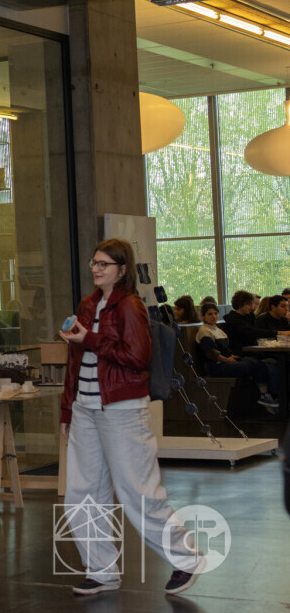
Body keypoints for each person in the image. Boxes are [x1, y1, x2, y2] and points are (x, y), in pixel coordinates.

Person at [59, 238, 204, 596]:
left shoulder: (130, 305)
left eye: (104, 264)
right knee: (81, 495)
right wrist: (67, 409)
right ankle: (102, 570)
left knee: (138, 493)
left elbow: (138, 356)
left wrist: (90, 339)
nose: (96, 269)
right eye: (94, 263)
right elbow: (75, 361)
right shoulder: (88, 303)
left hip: (122, 410)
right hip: (85, 409)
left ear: (122, 270)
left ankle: (187, 558)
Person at [196, 302, 279, 413]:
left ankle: (264, 395)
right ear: (203, 316)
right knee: (255, 365)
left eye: (215, 313)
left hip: (226, 362)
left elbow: (224, 349)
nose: (214, 316)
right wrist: (227, 359)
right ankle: (265, 396)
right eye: (209, 314)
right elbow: (211, 353)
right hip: (217, 367)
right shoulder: (204, 331)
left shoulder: (217, 330)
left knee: (259, 363)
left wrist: (231, 356)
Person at [224, 290, 290, 347]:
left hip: (253, 348)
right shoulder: (233, 319)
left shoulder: (250, 316)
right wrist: (280, 333)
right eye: (249, 304)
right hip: (243, 351)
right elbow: (253, 332)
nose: (252, 307)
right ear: (240, 304)